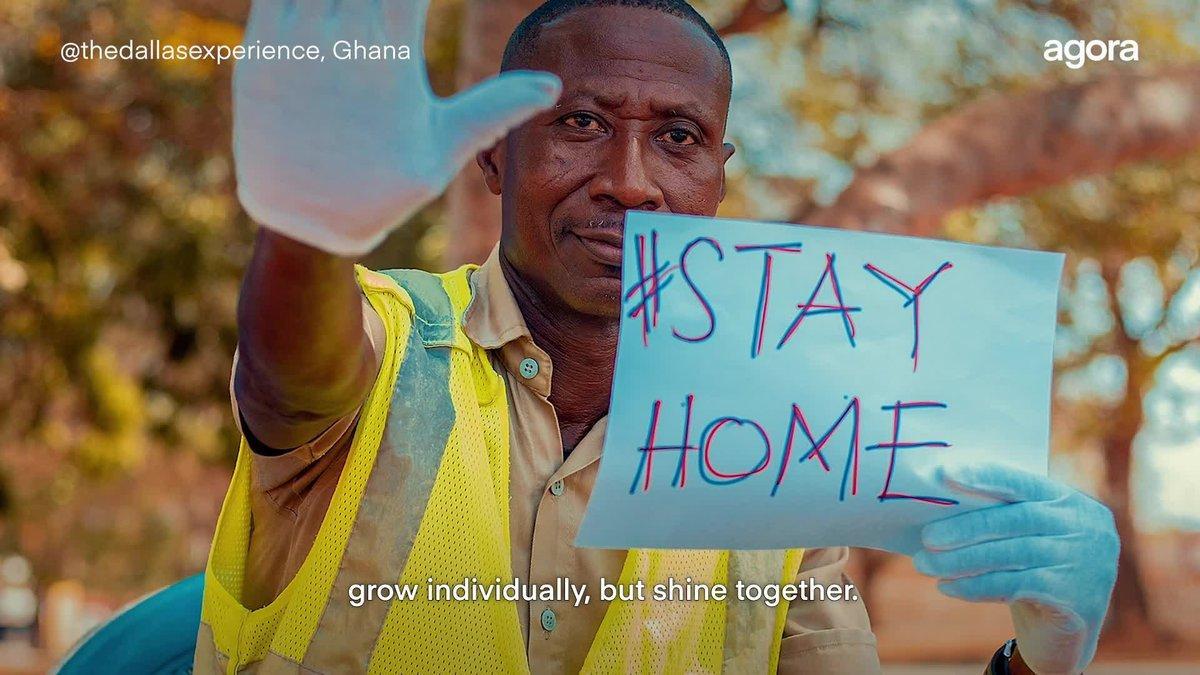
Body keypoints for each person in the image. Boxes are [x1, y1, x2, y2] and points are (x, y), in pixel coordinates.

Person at [194, 1, 1120, 673]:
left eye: (678, 136)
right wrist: (308, 226)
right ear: (492, 154)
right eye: (581, 123)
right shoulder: (385, 339)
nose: (631, 181)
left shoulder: (787, 456)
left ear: (718, 175)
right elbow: (293, 377)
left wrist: (1038, 663)